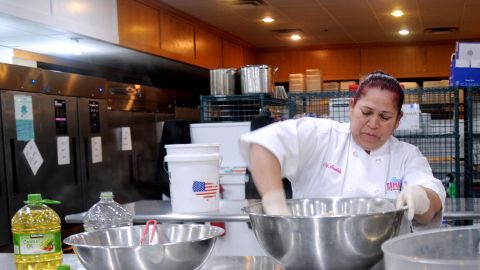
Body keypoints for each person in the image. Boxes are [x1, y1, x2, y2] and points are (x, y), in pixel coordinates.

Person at [239, 70, 445, 228]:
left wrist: (421, 198)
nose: (373, 124)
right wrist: (275, 204)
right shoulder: (323, 136)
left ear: (398, 120)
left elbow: (430, 208)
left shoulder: (406, 156)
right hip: (316, 257)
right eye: (366, 112)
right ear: (351, 106)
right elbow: (262, 145)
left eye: (384, 117)